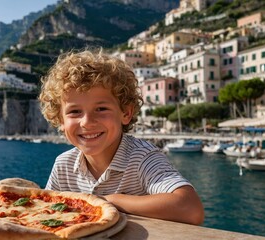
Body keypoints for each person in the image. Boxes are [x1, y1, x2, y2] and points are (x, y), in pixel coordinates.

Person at [39, 49, 204, 225]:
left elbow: (190, 209)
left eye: (101, 109)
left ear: (125, 113)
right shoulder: (63, 165)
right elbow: (47, 214)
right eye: (74, 111)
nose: (87, 122)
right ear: (60, 120)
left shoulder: (142, 158)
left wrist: (111, 200)